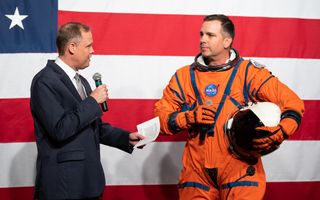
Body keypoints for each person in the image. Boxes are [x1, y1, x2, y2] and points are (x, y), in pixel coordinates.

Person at [154, 14, 304, 200]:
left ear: (227, 41)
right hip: (196, 171)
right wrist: (189, 117)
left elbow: (293, 103)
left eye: (210, 35)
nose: (203, 40)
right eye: (201, 34)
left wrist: (282, 131)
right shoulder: (184, 77)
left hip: (239, 168)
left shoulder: (249, 72)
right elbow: (160, 120)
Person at [30, 22, 144, 200]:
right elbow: (60, 129)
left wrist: (126, 138)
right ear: (72, 48)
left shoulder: (82, 81)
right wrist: (92, 101)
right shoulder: (45, 81)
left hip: (89, 184)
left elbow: (93, 127)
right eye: (89, 45)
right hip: (63, 188)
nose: (93, 51)